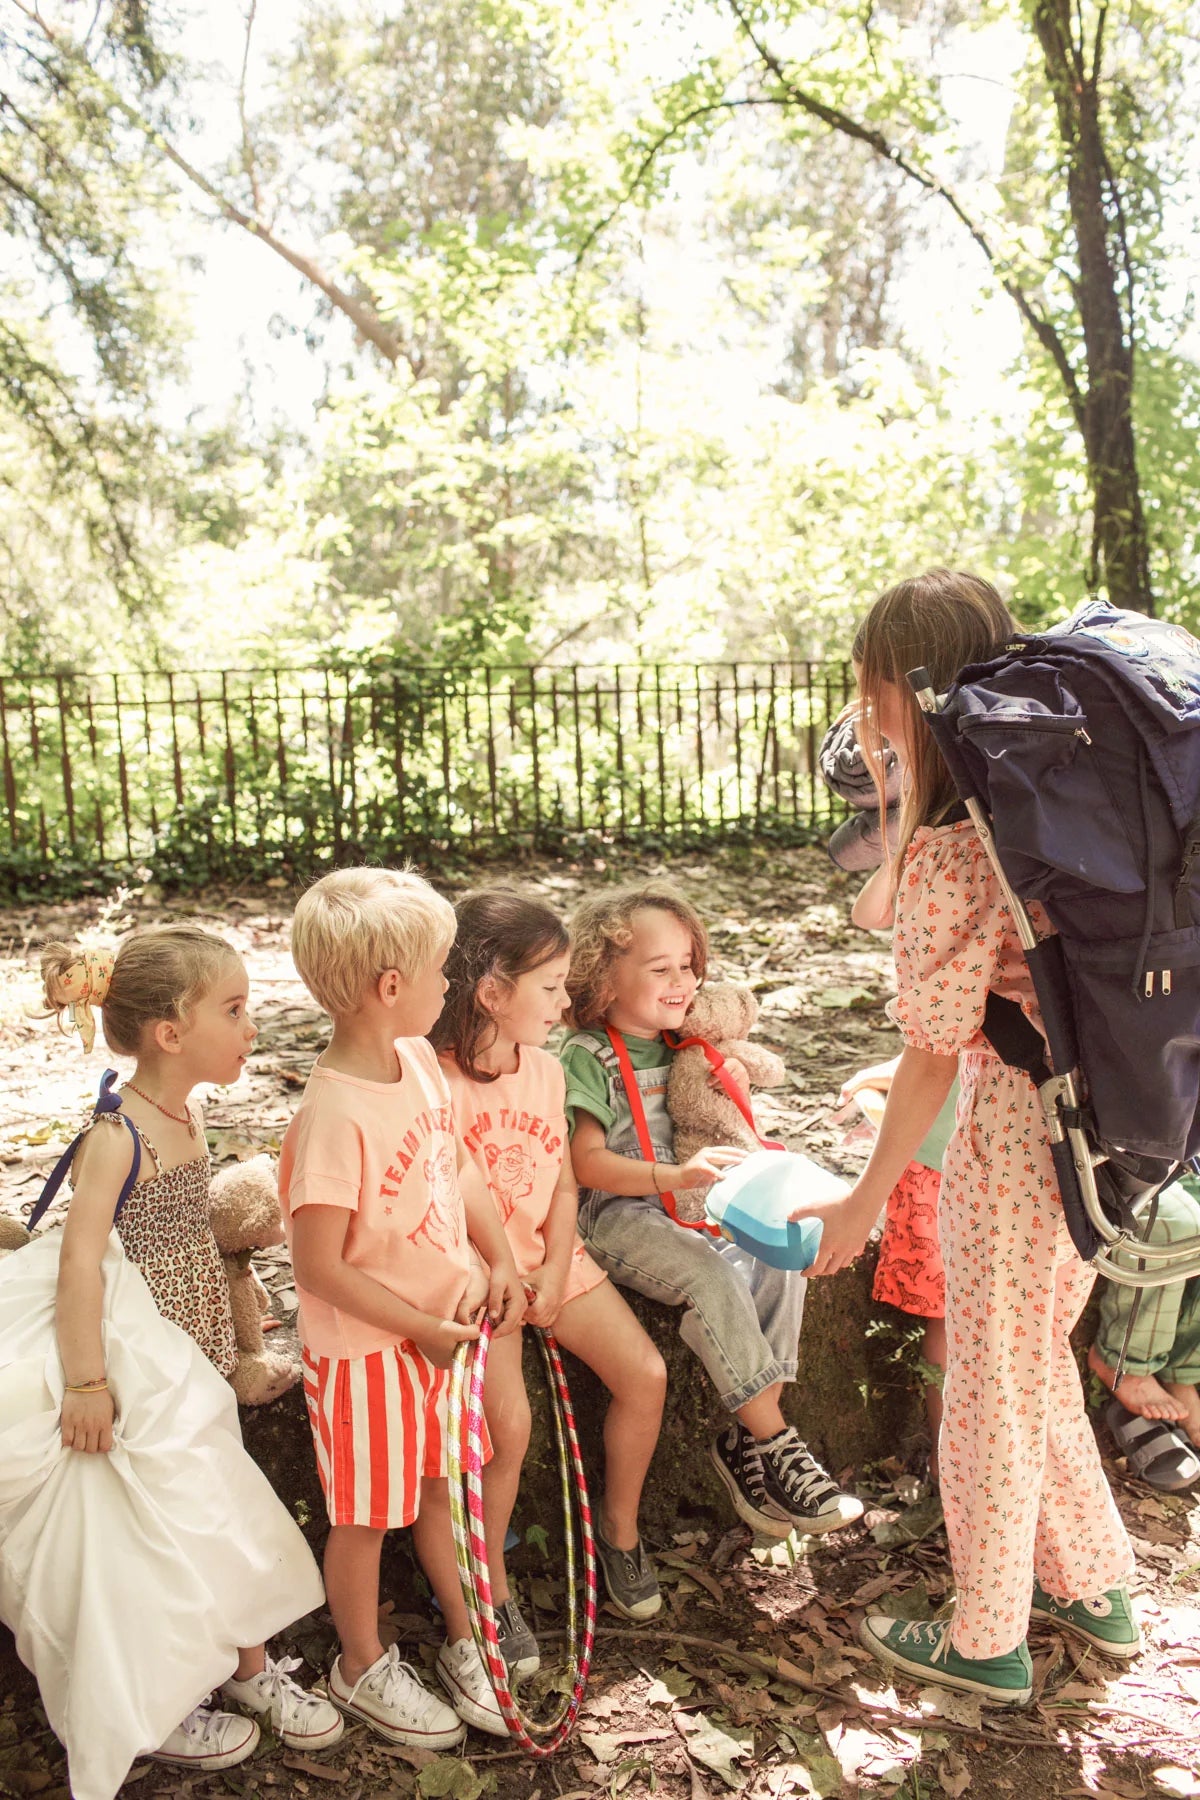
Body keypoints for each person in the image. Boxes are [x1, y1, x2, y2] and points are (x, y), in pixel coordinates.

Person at [790, 569, 1138, 1706]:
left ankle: (987, 1634)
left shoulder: (952, 843)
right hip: (1113, 1124)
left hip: (1011, 1133)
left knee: (990, 1379)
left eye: (868, 684)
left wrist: (859, 1198)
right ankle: (1094, 1583)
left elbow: (936, 1055)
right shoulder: (1063, 798)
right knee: (1034, 1356)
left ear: (899, 686)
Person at [14, 927, 339, 1795]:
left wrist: (237, 1343)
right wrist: (87, 1382)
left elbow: (197, 1240)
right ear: (168, 1031)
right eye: (234, 1011)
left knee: (218, 1507)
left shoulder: (184, 1111)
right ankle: (164, 1694)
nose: (252, 1028)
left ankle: (249, 1663)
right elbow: (82, 1263)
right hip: (134, 1363)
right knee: (166, 1524)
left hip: (186, 1354)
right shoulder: (116, 1134)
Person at [279, 867, 527, 1749]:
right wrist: (420, 1327)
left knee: (441, 1490)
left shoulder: (418, 1061)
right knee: (366, 1515)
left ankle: (468, 1639)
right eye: (441, 971)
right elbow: (317, 1265)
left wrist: (495, 1254)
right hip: (370, 1355)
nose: (449, 987)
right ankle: (360, 1664)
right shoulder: (333, 1116)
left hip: (439, 1337)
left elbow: (454, 1166)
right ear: (393, 988)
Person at [560, 880, 863, 1539]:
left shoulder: (686, 1047)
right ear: (603, 980)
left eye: (690, 966)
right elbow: (585, 1163)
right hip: (618, 1214)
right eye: (660, 968)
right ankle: (776, 1444)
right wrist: (672, 1174)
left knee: (773, 1255)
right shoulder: (588, 1054)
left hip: (688, 1207)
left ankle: (750, 1445)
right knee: (712, 1274)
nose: (683, 982)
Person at [431, 888, 669, 1669]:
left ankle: (619, 1534)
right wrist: (503, 1277)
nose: (565, 1002)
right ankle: (487, 1583)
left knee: (645, 1373)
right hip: (479, 1279)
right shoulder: (433, 1082)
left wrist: (558, 1269)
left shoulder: (542, 1069)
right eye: (550, 988)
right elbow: (437, 1207)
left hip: (551, 1258)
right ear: (492, 993)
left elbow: (563, 1183)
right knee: (512, 1429)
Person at [839, 1054, 954, 1486]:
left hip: (1011, 1154)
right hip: (940, 1159)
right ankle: (949, 1454)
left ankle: (960, 1455)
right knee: (949, 1315)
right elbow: (939, 1044)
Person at [1088, 1173, 1200, 1491]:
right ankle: (1124, 1362)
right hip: (1126, 1160)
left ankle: (1183, 1371)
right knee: (1175, 1226)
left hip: (1181, 1161)